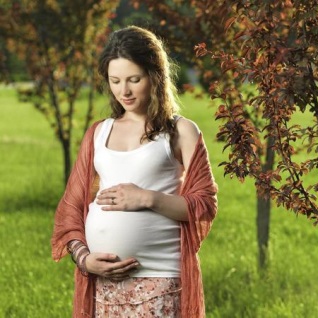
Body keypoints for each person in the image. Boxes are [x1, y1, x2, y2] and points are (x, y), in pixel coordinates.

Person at [51, 26, 218, 318]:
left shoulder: (180, 131)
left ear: (155, 76)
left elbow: (204, 205)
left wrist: (146, 199)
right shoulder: (98, 133)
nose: (123, 91)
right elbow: (71, 210)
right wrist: (85, 260)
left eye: (134, 79)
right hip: (105, 283)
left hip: (160, 280)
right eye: (115, 81)